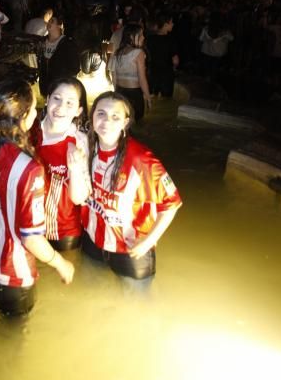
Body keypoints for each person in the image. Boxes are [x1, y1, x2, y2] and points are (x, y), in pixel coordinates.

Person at [0, 78, 74, 316]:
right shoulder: (28, 169)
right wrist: (60, 263)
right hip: (11, 275)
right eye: (34, 108)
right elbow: (31, 237)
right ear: (24, 116)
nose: (36, 113)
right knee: (15, 333)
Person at [78, 91, 182, 279]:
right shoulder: (85, 147)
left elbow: (171, 203)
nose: (107, 121)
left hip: (131, 249)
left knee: (137, 300)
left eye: (115, 116)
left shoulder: (141, 160)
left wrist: (148, 242)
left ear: (125, 122)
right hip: (92, 239)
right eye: (100, 113)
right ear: (91, 116)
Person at [30, 77, 89, 251]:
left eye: (70, 103)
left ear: (78, 110)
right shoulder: (28, 131)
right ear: (47, 100)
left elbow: (79, 198)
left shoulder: (78, 142)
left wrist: (75, 169)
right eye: (57, 98)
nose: (61, 107)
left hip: (63, 232)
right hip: (28, 227)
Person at [108, 24, 152, 123]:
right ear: (132, 37)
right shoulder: (139, 53)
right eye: (140, 35)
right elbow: (142, 79)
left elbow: (114, 77)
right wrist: (148, 97)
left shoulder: (117, 53)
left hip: (120, 92)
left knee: (123, 121)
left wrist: (116, 93)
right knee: (137, 121)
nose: (143, 37)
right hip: (134, 94)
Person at [38, 13, 80, 96]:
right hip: (45, 87)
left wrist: (66, 83)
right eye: (48, 21)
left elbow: (74, 68)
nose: (48, 23)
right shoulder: (41, 42)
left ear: (59, 25)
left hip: (61, 87)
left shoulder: (68, 44)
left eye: (52, 21)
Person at [146, 12, 179, 98]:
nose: (173, 24)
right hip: (166, 75)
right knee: (166, 100)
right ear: (165, 24)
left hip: (153, 74)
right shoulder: (171, 39)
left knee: (152, 99)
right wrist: (175, 67)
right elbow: (175, 60)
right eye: (171, 22)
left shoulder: (149, 39)